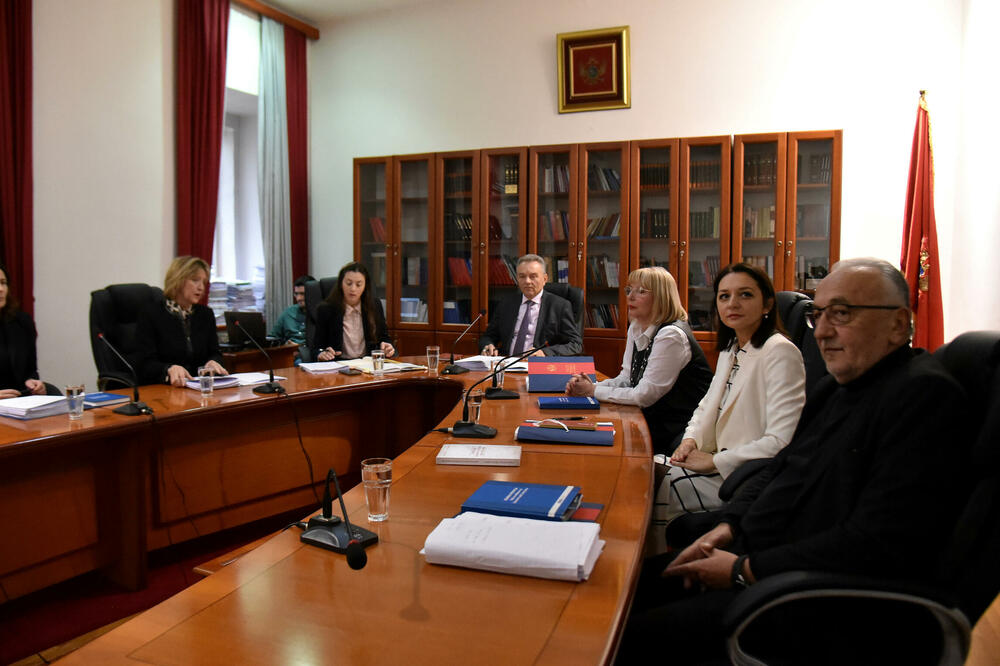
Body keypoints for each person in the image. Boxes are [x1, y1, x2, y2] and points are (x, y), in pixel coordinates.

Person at [619, 258, 972, 663]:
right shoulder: (838, 388)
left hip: (812, 600)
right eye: (817, 315)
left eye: (842, 313)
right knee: (624, 587)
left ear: (898, 323)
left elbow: (872, 542)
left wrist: (743, 568)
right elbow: (782, 467)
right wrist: (729, 526)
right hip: (763, 554)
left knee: (627, 634)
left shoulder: (924, 397)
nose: (822, 331)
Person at [664, 262, 805, 521]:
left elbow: (781, 441)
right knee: (638, 469)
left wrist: (714, 462)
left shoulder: (780, 352)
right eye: (724, 296)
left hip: (741, 477)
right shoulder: (732, 348)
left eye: (745, 294)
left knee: (656, 489)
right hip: (712, 461)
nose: (732, 304)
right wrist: (689, 440)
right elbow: (706, 405)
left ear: (767, 305)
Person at [564, 266, 712, 450]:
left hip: (679, 430)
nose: (630, 297)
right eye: (629, 290)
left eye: (641, 291)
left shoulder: (671, 335)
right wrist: (589, 387)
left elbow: (644, 395)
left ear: (661, 297)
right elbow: (627, 379)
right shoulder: (636, 326)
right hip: (650, 421)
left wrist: (593, 391)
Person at [134, 256, 228, 387]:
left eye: (204, 282)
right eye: (195, 280)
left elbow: (215, 352)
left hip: (199, 387)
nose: (201, 287)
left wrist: (213, 361)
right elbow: (144, 364)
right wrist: (168, 369)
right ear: (178, 280)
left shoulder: (205, 314)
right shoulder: (151, 314)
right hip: (164, 388)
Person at [479, 254, 582, 358]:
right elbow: (488, 336)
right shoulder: (506, 303)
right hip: (506, 363)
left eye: (533, 276)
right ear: (517, 278)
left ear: (545, 279)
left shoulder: (560, 306)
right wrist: (488, 345)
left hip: (538, 365)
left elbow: (575, 344)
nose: (527, 281)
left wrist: (545, 353)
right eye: (522, 276)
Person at [313, 262, 394, 361]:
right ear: (341, 284)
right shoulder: (326, 309)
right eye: (348, 283)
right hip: (339, 364)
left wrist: (387, 346)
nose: (353, 289)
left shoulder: (374, 305)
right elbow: (316, 348)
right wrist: (321, 354)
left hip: (367, 363)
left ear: (365, 286)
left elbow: (384, 337)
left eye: (358, 284)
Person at [0, 265, 50, 398]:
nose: (1, 289)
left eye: (3, 283)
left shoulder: (22, 321)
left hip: (20, 402)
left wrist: (32, 382)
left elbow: (30, 370)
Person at [269, 274, 314, 345]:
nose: (298, 298)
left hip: (311, 350)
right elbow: (272, 338)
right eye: (296, 294)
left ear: (314, 293)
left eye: (303, 294)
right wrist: (285, 344)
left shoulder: (321, 313)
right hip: (289, 350)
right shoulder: (288, 313)